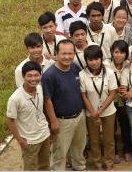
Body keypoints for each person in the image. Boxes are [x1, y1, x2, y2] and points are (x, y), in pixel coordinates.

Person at [42, 40, 86, 171]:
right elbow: (47, 100)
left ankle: (79, 167)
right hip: (62, 120)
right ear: (56, 54)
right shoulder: (49, 75)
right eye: (64, 53)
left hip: (80, 116)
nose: (67, 57)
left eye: (70, 53)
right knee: (60, 152)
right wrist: (53, 121)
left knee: (79, 147)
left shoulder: (75, 68)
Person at [7, 61, 50, 170]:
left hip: (44, 135)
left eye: (36, 75)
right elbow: (10, 121)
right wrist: (20, 140)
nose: (33, 79)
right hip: (30, 141)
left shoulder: (40, 88)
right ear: (23, 76)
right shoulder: (15, 98)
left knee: (45, 165)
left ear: (40, 75)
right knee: (31, 168)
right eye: (29, 76)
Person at [80, 45, 117, 170]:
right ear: (86, 61)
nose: (94, 62)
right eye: (90, 60)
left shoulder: (110, 73)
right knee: (94, 140)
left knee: (109, 139)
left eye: (97, 59)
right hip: (91, 113)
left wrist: (100, 111)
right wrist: (93, 113)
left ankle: (109, 161)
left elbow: (112, 93)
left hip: (108, 112)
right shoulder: (82, 75)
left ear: (101, 59)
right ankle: (97, 162)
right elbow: (84, 96)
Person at [106, 40, 132, 163]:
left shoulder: (129, 64)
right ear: (112, 52)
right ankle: (114, 152)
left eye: (122, 52)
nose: (119, 55)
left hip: (124, 100)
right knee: (111, 127)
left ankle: (127, 150)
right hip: (110, 100)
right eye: (116, 52)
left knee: (125, 125)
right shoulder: (105, 65)